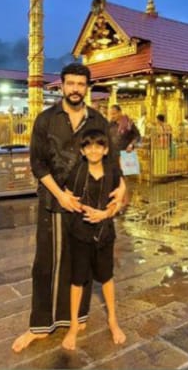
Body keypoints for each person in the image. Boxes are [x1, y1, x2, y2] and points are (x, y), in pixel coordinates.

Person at [13, 63, 125, 353]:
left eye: (81, 84)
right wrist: (60, 194)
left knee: (81, 265)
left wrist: (122, 186)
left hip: (89, 205)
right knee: (46, 263)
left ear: (87, 87)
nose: (75, 88)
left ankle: (76, 318)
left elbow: (112, 160)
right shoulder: (46, 120)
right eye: (70, 83)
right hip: (54, 202)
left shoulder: (98, 120)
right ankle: (41, 325)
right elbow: (37, 163)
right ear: (61, 85)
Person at [61, 129, 126, 350]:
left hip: (104, 233)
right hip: (80, 233)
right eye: (88, 146)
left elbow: (118, 202)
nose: (94, 150)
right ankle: (73, 326)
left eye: (99, 146)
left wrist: (105, 214)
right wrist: (79, 205)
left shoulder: (113, 173)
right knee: (77, 279)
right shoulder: (76, 173)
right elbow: (68, 197)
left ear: (105, 149)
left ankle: (113, 320)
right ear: (82, 150)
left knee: (107, 277)